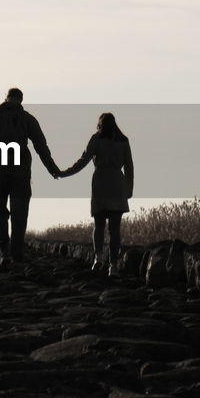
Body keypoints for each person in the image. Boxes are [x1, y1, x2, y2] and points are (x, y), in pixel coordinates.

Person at [0, 88, 61, 269]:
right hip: (21, 171)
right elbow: (41, 146)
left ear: (6, 98)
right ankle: (17, 254)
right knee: (19, 213)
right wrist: (53, 169)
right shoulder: (28, 119)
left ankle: (4, 253)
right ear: (21, 100)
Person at [58, 112, 133, 276]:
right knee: (115, 229)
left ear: (100, 124)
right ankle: (113, 265)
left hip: (100, 183)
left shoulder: (97, 139)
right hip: (117, 185)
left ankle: (98, 258)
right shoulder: (123, 141)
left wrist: (65, 173)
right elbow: (129, 167)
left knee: (98, 225)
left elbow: (84, 160)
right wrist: (129, 189)